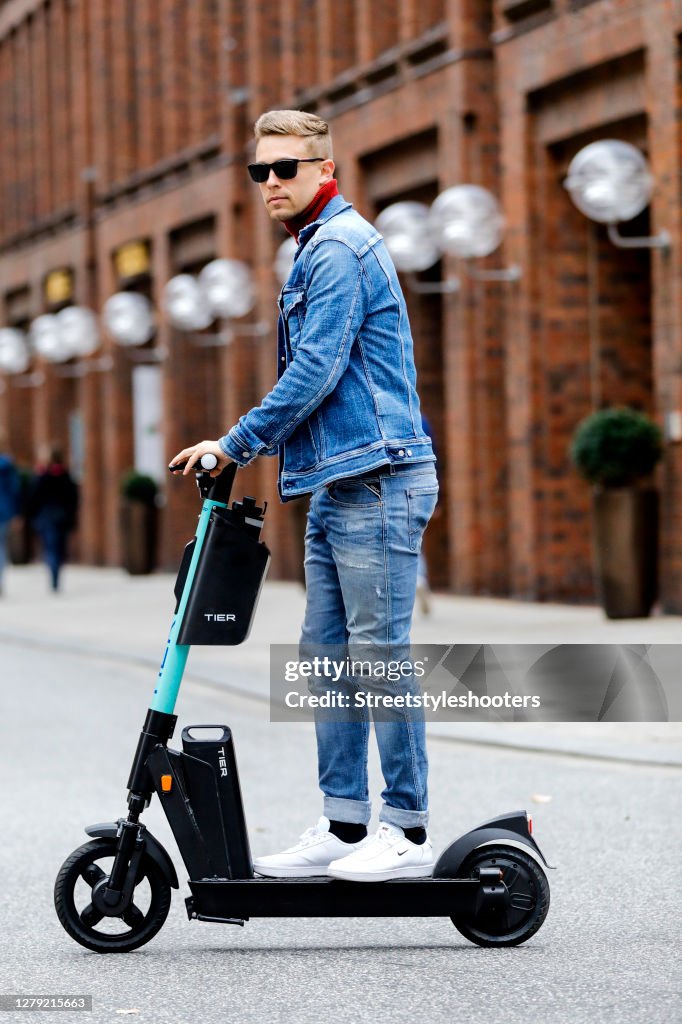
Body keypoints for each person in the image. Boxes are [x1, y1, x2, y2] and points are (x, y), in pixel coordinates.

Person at [171, 110, 438, 882]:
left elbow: (317, 368)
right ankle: (345, 822)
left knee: (379, 655)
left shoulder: (342, 249)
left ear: (326, 170)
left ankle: (409, 829)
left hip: (378, 479)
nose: (272, 184)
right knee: (326, 658)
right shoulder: (315, 248)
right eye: (261, 172)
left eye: (287, 169)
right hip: (338, 481)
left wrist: (236, 441)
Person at [29, 449, 79, 592]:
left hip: (46, 517)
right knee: (58, 547)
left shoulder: (42, 476)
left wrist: (31, 515)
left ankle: (53, 573)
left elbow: (33, 497)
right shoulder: (65, 475)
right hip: (61, 516)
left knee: (50, 547)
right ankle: (56, 574)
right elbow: (73, 499)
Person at [0, 440, 21, 596]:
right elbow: (15, 489)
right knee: (1, 547)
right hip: (4, 510)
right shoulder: (8, 465)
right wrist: (16, 512)